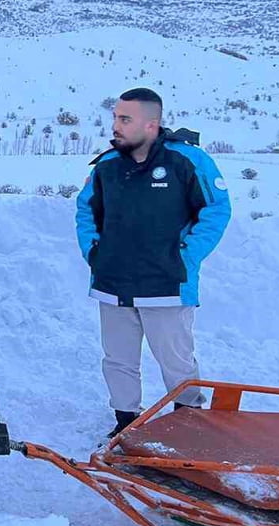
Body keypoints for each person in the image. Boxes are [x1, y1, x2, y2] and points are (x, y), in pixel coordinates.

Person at [75, 87, 232, 438]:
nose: (115, 125)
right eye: (115, 116)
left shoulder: (186, 161)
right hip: (112, 284)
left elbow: (216, 209)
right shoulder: (107, 165)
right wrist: (94, 252)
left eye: (125, 118)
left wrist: (185, 255)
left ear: (151, 124)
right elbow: (86, 210)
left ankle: (188, 426)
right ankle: (125, 425)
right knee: (118, 360)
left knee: (176, 361)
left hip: (167, 285)